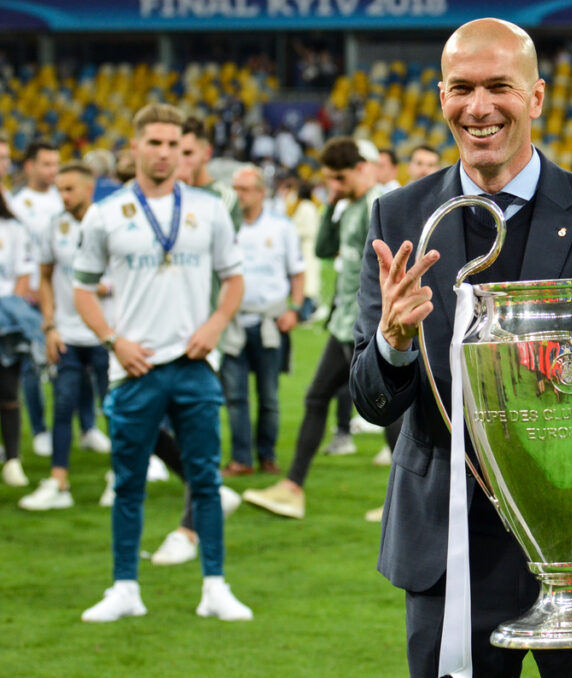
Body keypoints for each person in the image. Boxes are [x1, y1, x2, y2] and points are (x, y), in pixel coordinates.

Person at [349, 19, 572, 678]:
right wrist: (393, 343)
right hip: (447, 537)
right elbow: (370, 400)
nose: (478, 107)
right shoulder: (397, 216)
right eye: (462, 88)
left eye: (498, 87)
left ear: (536, 97)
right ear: (440, 97)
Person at [74, 103, 251, 622]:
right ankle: (124, 586)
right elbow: (82, 290)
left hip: (194, 364)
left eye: (174, 144)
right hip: (134, 368)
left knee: (205, 479)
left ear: (183, 150)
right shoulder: (105, 214)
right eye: (154, 142)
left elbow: (233, 279)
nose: (165, 153)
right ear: (135, 147)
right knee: (128, 483)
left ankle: (215, 585)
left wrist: (214, 325)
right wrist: (113, 340)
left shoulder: (209, 207)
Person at [242, 137, 383, 520]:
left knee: (387, 411)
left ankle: (409, 500)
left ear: (360, 168)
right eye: (328, 180)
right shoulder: (349, 205)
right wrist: (333, 206)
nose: (332, 186)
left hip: (367, 326)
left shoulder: (379, 205)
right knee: (321, 398)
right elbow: (323, 250)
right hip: (344, 324)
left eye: (339, 178)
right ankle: (292, 488)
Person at [19, 163, 112, 510]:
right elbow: (44, 277)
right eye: (60, 189)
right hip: (67, 335)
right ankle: (59, 482)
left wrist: (107, 288)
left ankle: (120, 478)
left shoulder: (110, 223)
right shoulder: (53, 226)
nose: (63, 196)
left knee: (115, 410)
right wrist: (49, 325)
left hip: (105, 333)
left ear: (89, 189)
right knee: (63, 408)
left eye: (70, 189)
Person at [219, 166, 305, 476]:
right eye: (235, 188)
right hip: (232, 322)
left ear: (259, 192)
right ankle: (241, 459)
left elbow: (297, 271)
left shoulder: (280, 227)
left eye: (243, 189)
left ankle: (266, 455)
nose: (238, 195)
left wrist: (294, 308)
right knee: (235, 396)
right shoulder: (225, 226)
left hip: (270, 321)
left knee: (268, 396)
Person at [9, 140, 63, 457]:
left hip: (61, 293)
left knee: (69, 360)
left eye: (56, 164)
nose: (52, 171)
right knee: (31, 363)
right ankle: (40, 429)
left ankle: (83, 427)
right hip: (29, 293)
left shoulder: (62, 198)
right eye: (46, 164)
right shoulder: (17, 203)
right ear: (30, 166)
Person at [0, 187, 34, 488]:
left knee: (9, 392)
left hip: (6, 324)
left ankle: (12, 460)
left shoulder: (12, 228)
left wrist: (12, 311)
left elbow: (24, 274)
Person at [177, 116, 242, 231]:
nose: (180, 160)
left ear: (207, 153)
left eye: (188, 153)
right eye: (176, 153)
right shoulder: (166, 193)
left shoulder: (223, 197)